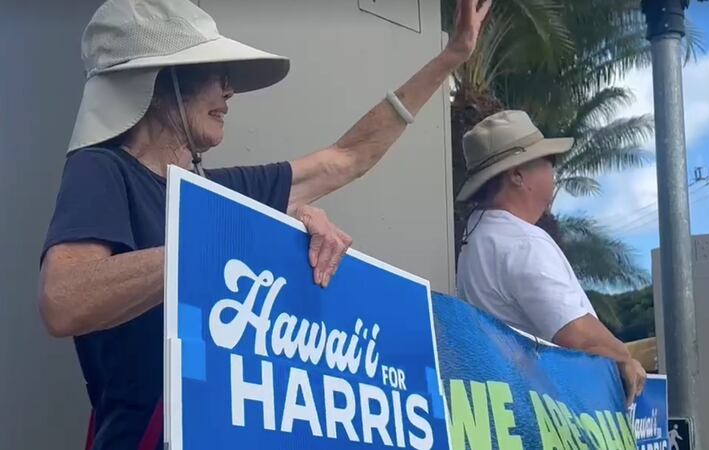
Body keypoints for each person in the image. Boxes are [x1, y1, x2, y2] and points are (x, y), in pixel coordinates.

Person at [37, 0, 491, 448]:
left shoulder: (210, 195)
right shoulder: (100, 169)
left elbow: (348, 158)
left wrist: (450, 57)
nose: (229, 91)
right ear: (160, 82)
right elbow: (64, 299)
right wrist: (227, 238)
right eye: (216, 74)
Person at [455, 110, 646, 405]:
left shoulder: (480, 236)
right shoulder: (521, 242)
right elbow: (576, 334)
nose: (553, 170)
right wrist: (624, 358)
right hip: (544, 410)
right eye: (547, 161)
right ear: (517, 175)